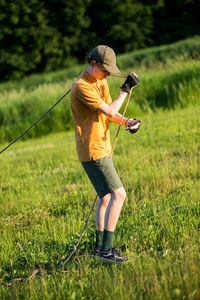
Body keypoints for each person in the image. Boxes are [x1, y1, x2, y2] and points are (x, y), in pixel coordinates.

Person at [70, 45, 140, 263]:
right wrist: (125, 89)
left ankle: (100, 248)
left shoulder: (101, 81)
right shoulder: (81, 86)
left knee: (106, 197)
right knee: (120, 195)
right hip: (93, 150)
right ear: (92, 64)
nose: (109, 73)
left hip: (101, 148)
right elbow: (109, 109)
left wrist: (126, 121)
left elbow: (111, 112)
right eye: (105, 69)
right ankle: (106, 252)